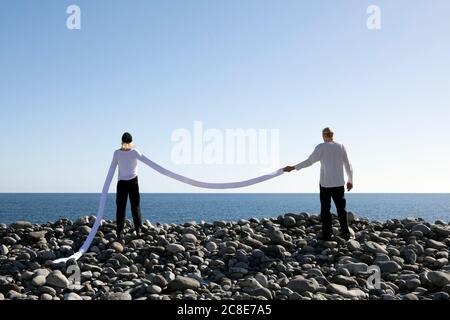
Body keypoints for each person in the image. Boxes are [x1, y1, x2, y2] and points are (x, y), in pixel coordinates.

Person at [283, 127, 353, 241]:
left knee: (325, 210)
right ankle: (346, 234)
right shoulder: (341, 146)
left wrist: (293, 167)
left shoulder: (321, 147)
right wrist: (350, 180)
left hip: (325, 184)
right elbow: (348, 165)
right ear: (332, 135)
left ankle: (327, 235)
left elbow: (309, 161)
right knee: (341, 209)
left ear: (324, 135)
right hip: (339, 183)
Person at [109, 132, 143, 238]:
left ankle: (120, 232)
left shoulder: (117, 153)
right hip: (132, 182)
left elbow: (111, 169)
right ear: (131, 141)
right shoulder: (134, 152)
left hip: (123, 183)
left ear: (122, 141)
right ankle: (138, 231)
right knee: (135, 206)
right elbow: (149, 162)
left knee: (121, 208)